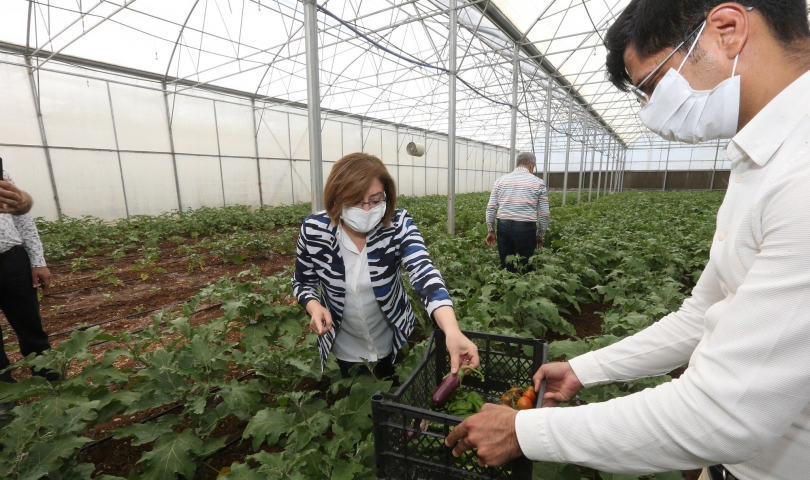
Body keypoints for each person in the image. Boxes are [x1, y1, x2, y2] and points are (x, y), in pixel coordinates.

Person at [445, 2, 810, 480]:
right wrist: (584, 369)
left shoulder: (800, 176)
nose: (649, 110)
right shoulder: (761, 160)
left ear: (728, 30)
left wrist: (524, 432)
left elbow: (725, 411)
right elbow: (701, 316)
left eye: (654, 85)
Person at [292, 153, 480, 381]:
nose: (366, 210)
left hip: (393, 337)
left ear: (386, 196)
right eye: (355, 201)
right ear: (336, 198)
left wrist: (451, 330)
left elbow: (424, 272)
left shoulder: (397, 224)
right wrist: (314, 307)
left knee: (395, 388)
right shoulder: (314, 230)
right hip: (344, 342)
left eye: (375, 200)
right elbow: (303, 282)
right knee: (357, 397)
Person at [0, 168, 55, 414]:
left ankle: (48, 382)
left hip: (13, 261)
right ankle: (5, 396)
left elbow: (22, 216)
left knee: (31, 327)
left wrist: (38, 260)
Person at [485, 152, 549, 273]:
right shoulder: (538, 183)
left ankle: (509, 289)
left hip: (503, 226)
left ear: (517, 164)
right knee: (524, 267)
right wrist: (540, 234)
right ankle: (521, 290)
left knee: (507, 265)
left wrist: (491, 230)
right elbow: (544, 213)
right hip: (525, 229)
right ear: (532, 165)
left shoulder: (500, 181)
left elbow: (491, 207)